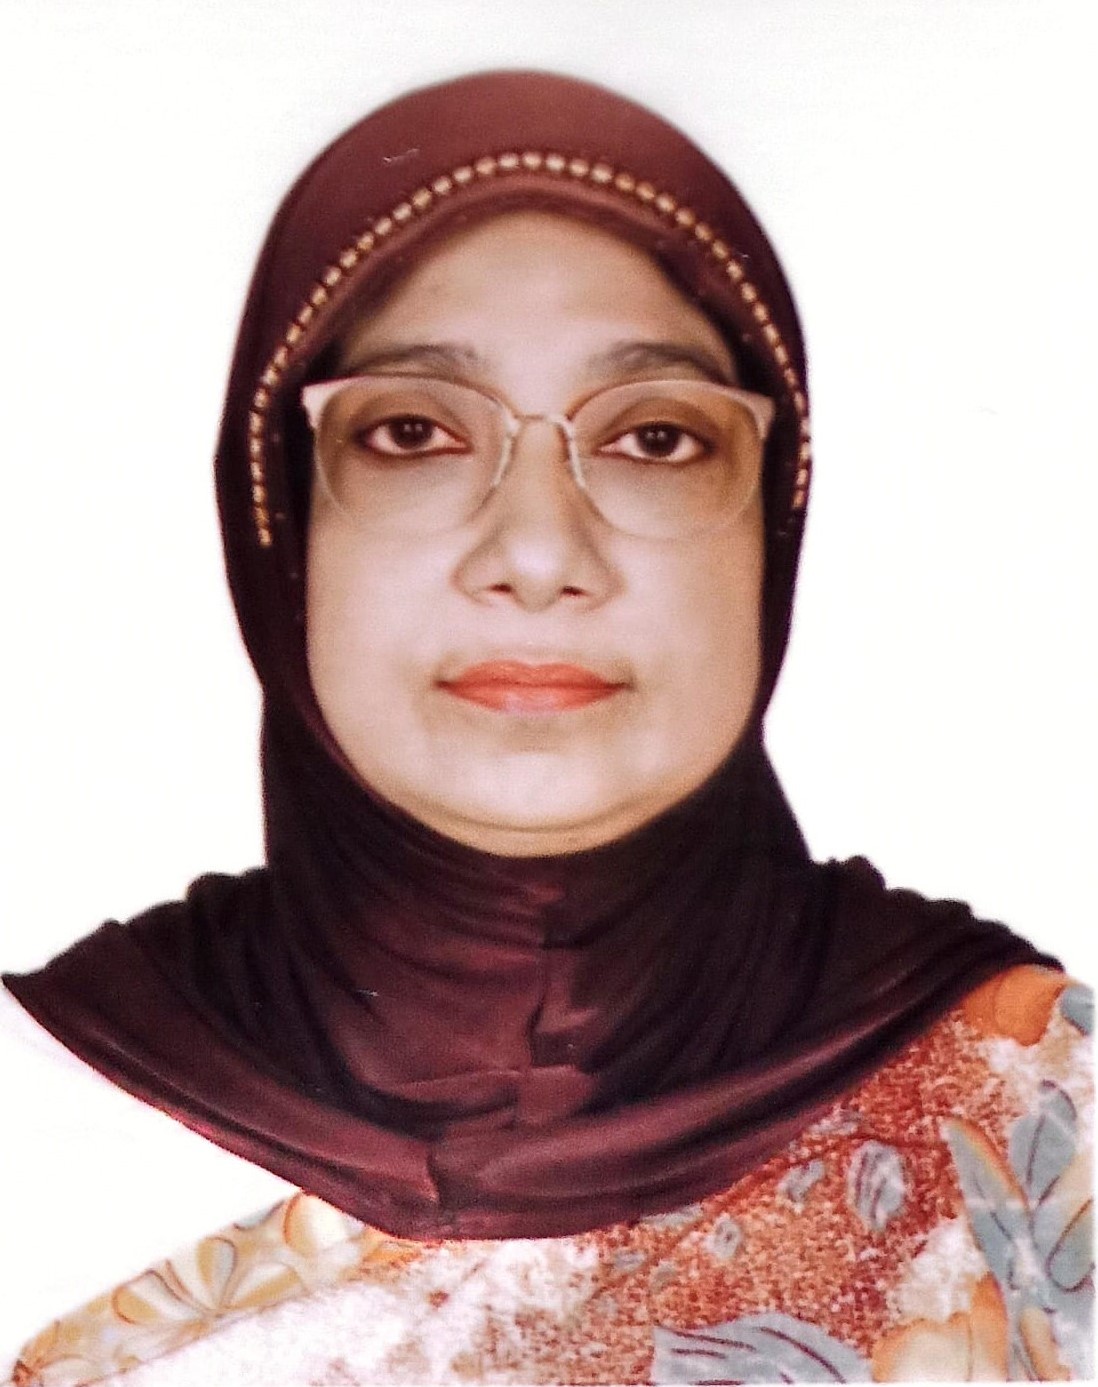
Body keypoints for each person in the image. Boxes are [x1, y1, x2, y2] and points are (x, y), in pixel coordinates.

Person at [2, 71, 1090, 1385]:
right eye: (413, 432)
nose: (535, 552)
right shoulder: (35, 1129)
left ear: (771, 527)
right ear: (279, 522)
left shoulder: (1036, 1120)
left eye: (654, 438)